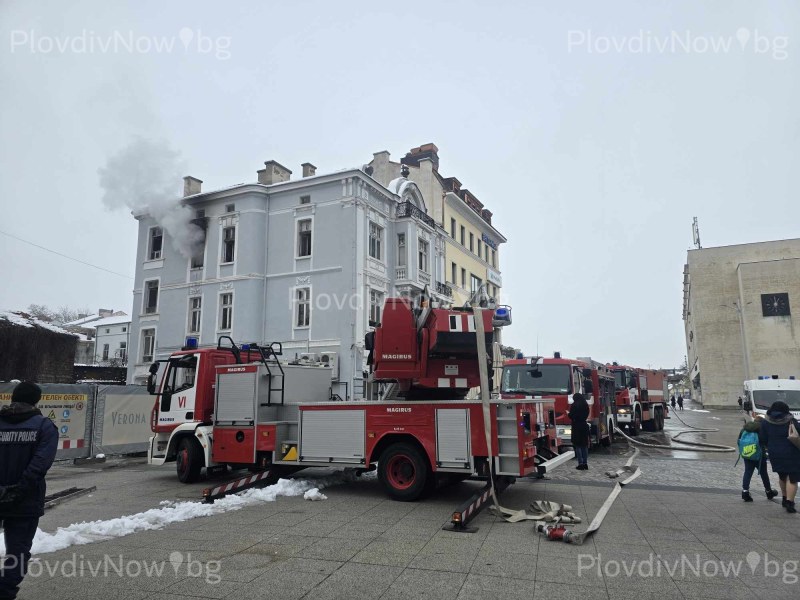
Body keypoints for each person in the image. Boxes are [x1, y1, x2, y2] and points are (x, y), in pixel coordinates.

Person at [0, 381, 58, 599]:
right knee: (18, 552)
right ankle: (5, 592)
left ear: (12, 398)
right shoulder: (44, 426)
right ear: (36, 400)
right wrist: (19, 490)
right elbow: (40, 464)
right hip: (25, 501)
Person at [759, 400, 800, 514]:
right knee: (792, 478)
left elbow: (762, 439)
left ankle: (784, 498)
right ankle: (790, 503)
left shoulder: (765, 422)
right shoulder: (791, 421)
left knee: (782, 475)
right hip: (791, 453)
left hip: (775, 453)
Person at [737, 417, 777, 502]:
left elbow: (739, 441)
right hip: (760, 456)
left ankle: (745, 492)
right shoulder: (761, 430)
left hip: (747, 454)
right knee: (764, 474)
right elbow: (766, 442)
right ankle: (768, 491)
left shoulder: (745, 429)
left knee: (747, 472)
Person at [569, 392, 590, 470]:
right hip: (584, 425)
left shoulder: (574, 405)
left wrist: (569, 414)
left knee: (578, 445)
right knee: (584, 445)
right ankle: (585, 463)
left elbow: (572, 416)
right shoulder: (585, 405)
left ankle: (580, 463)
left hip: (576, 426)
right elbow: (587, 414)